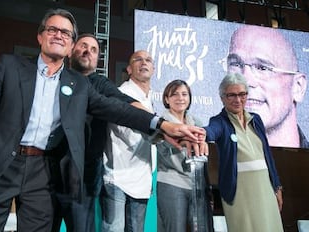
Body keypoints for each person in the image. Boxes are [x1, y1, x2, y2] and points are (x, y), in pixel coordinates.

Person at [0, 8, 206, 232]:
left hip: (42, 174)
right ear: (40, 36)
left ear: (69, 43)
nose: (58, 35)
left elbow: (118, 108)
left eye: (65, 33)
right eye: (52, 29)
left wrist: (162, 125)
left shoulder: (79, 85)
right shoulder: (10, 66)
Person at [52, 33, 143, 232]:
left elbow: (123, 101)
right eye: (84, 46)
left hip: (83, 180)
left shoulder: (100, 84)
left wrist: (156, 121)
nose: (88, 51)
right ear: (71, 51)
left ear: (97, 60)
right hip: (48, 173)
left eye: (94, 50)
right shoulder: (55, 79)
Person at [204, 73, 284, 232]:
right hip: (238, 190)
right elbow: (210, 132)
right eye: (231, 95)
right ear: (222, 98)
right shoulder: (219, 121)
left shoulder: (256, 119)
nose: (238, 99)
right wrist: (199, 133)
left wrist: (277, 186)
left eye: (242, 94)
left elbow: (267, 155)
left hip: (265, 187)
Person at [225, 25, 309, 149]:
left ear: (298, 87)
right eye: (235, 64)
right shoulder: (212, 159)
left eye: (262, 68)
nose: (244, 82)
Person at [101, 50, 157, 232]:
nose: (144, 63)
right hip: (118, 175)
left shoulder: (150, 98)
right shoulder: (122, 93)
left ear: (153, 68)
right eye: (138, 60)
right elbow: (125, 130)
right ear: (129, 69)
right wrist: (161, 134)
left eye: (148, 60)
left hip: (141, 176)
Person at [156, 79, 213, 232]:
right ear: (166, 99)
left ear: (189, 98)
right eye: (174, 94)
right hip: (171, 183)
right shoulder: (161, 124)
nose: (180, 98)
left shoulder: (197, 122)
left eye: (184, 94)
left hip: (196, 185)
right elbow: (161, 149)